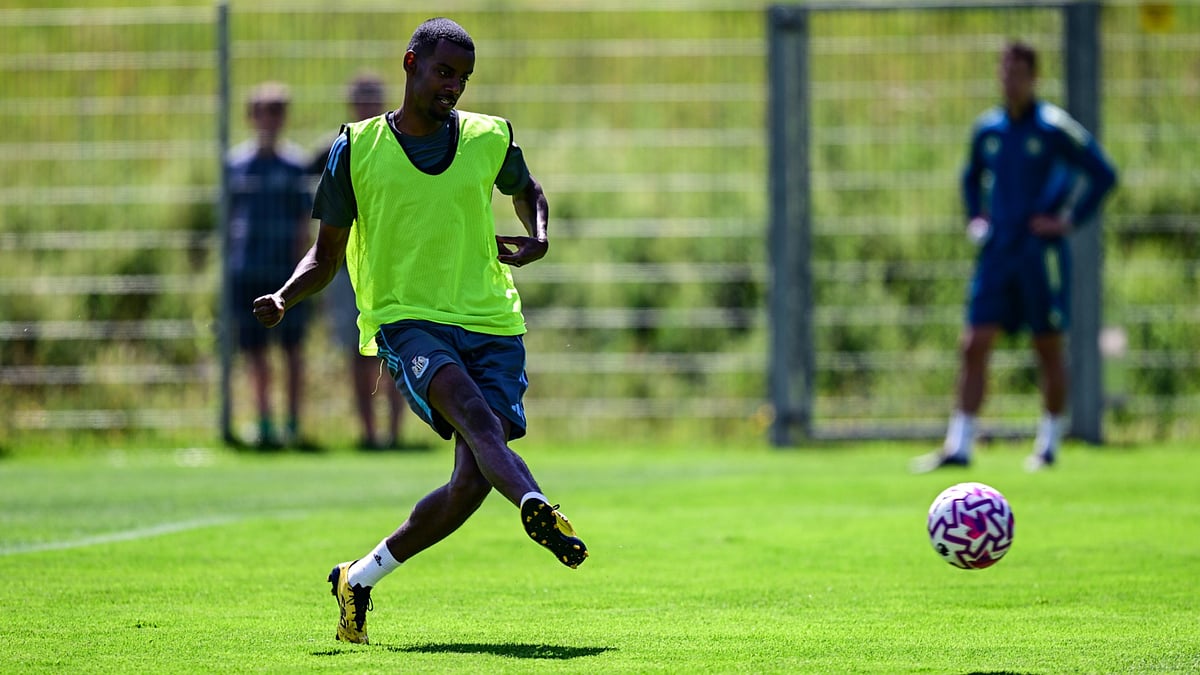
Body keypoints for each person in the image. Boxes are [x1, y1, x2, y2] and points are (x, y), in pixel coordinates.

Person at [251, 18, 588, 644]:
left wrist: (539, 236)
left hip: (492, 322)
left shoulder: (489, 137)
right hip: (407, 324)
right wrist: (284, 296)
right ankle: (537, 505)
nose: (453, 86)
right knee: (475, 418)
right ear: (411, 64)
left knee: (467, 486)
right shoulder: (356, 148)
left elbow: (528, 190)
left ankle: (359, 576)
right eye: (443, 72)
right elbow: (325, 257)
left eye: (462, 77)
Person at [912, 41, 1117, 474]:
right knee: (974, 344)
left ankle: (1047, 445)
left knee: (1046, 345)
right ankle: (960, 445)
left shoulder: (1053, 128)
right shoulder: (987, 129)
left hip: (1037, 255)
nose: (1010, 79)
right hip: (997, 253)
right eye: (1004, 71)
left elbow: (1103, 173)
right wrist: (976, 218)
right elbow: (970, 178)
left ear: (1033, 77)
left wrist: (1068, 220)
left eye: (1018, 72)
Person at [308, 73, 413, 451]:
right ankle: (368, 434)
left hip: (393, 263)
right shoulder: (336, 147)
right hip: (346, 264)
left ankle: (396, 434)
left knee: (400, 348)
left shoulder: (399, 143)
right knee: (356, 349)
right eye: (361, 100)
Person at [227, 82, 316, 450]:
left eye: (278, 110)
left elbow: (303, 224)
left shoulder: (295, 167)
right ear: (251, 116)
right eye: (265, 109)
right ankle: (263, 422)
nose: (271, 118)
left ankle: (292, 424)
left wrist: (302, 275)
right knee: (256, 352)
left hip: (285, 273)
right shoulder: (235, 166)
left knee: (293, 351)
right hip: (247, 271)